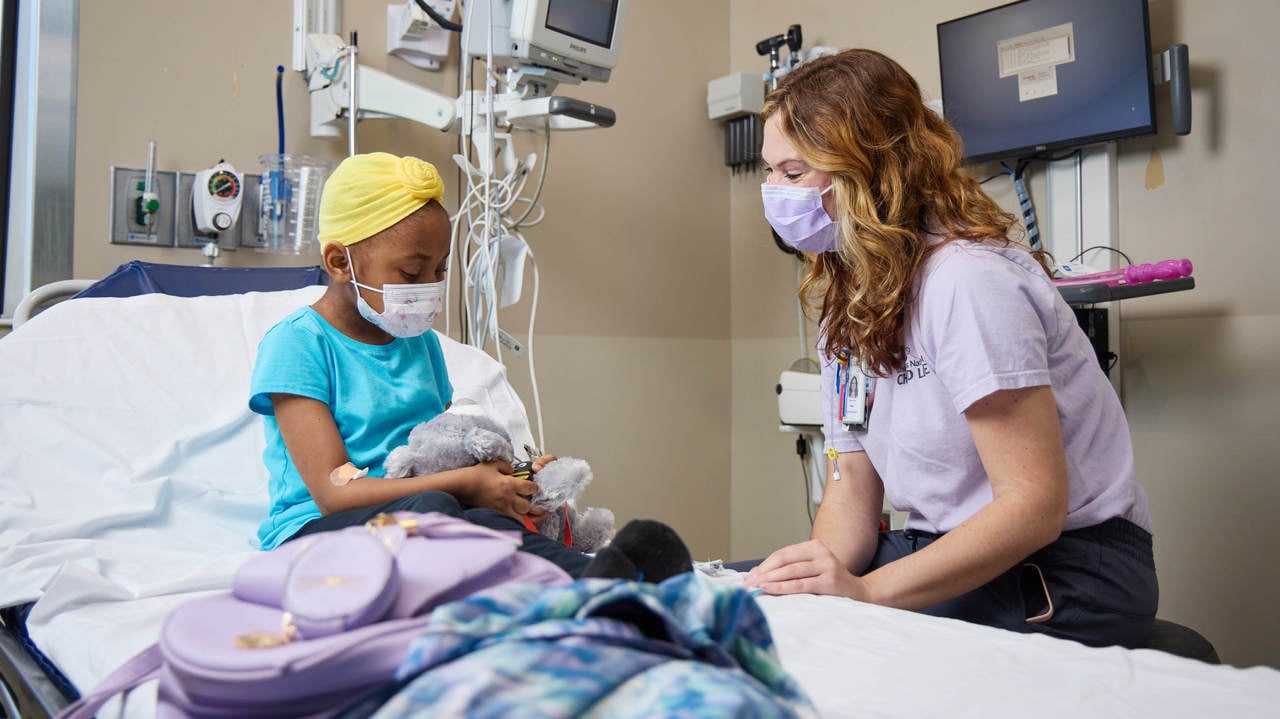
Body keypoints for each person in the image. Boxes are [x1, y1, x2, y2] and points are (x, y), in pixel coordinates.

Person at [742, 49, 1158, 649]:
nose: (774, 193)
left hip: (1068, 566)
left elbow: (1033, 506)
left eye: (793, 172)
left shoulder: (968, 280)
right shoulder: (852, 306)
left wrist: (865, 595)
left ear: (870, 170)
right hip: (940, 544)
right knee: (756, 606)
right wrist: (818, 588)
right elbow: (851, 483)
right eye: (770, 172)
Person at [248, 152, 596, 575]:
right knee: (437, 508)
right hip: (314, 532)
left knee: (485, 519)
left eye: (440, 270)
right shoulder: (298, 344)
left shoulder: (421, 342)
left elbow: (440, 451)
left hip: (423, 514)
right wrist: (464, 484)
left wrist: (509, 481)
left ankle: (601, 576)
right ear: (340, 262)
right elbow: (334, 493)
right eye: (412, 273)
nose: (430, 286)